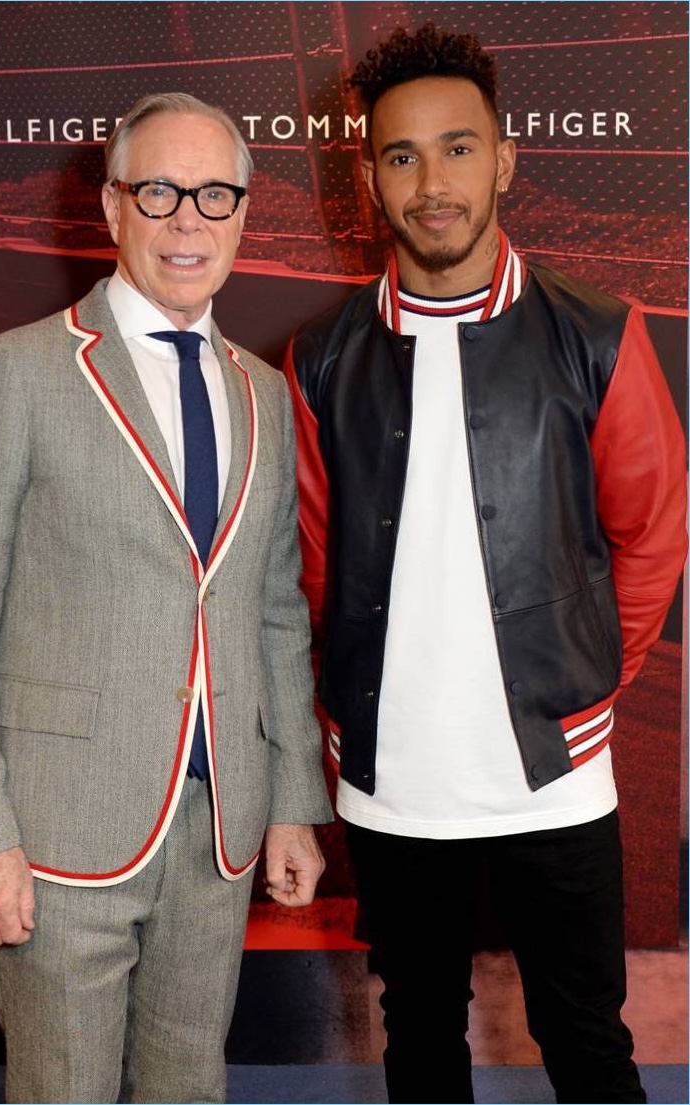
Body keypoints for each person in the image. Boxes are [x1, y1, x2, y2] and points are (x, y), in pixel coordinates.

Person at [284, 24, 686, 1105]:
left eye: (457, 149)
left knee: (583, 1041)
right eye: (401, 156)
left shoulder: (594, 332)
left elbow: (652, 534)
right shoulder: (322, 356)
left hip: (550, 774)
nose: (432, 182)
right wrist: (349, 713)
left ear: (504, 159)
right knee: (417, 1042)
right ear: (367, 177)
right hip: (393, 781)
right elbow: (316, 563)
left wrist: (585, 689)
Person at [0, 91, 331, 1105]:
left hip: (217, 831)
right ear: (111, 210)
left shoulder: (262, 393)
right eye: (159, 191)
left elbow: (274, 613)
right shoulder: (14, 373)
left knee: (189, 1086)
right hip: (55, 837)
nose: (188, 219)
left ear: (241, 213)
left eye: (214, 194)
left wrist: (289, 806)